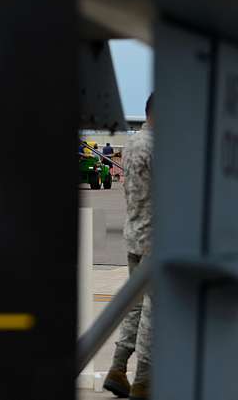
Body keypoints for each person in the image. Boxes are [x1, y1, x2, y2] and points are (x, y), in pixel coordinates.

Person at [103, 94, 154, 400]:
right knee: (153, 309)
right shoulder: (159, 147)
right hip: (156, 237)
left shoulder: (133, 143)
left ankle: (118, 367)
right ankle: (145, 379)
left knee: (135, 305)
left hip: (134, 231)